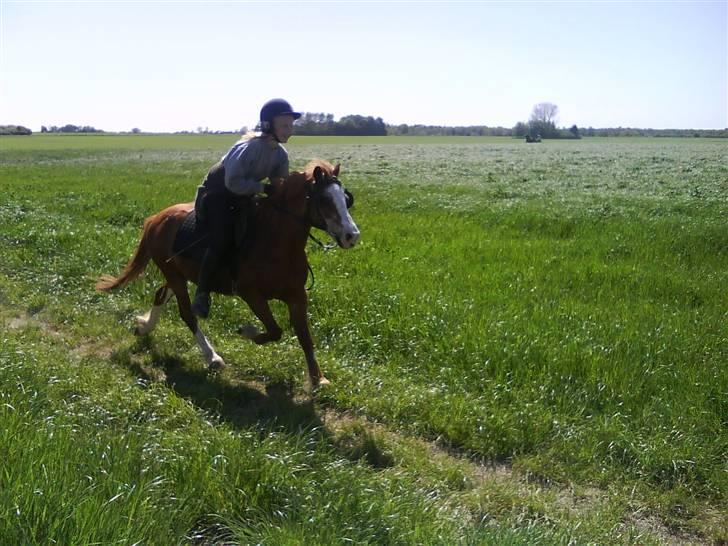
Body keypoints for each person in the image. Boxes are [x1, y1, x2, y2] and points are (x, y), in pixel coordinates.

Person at [191, 98, 301, 318]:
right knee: (222, 238)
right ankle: (202, 293)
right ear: (269, 125)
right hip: (218, 195)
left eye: (291, 126)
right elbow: (233, 183)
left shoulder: (280, 155)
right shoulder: (249, 148)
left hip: (244, 195)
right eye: (285, 125)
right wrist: (263, 188)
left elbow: (279, 184)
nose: (290, 130)